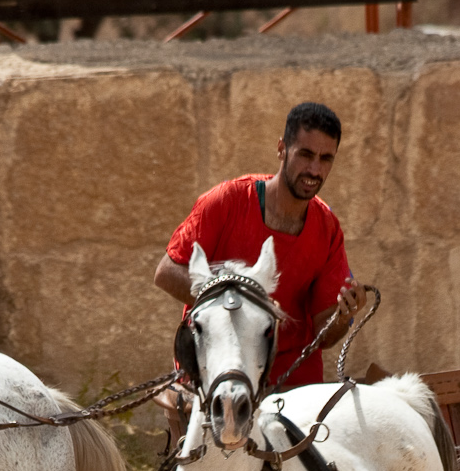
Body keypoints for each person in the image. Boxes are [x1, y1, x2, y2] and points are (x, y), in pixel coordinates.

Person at [154, 101, 367, 395]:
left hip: (290, 389)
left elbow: (324, 333)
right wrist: (235, 296)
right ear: (282, 149)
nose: (314, 169)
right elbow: (166, 273)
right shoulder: (226, 201)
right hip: (216, 376)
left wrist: (343, 316)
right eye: (305, 154)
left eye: (325, 158)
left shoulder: (328, 227)